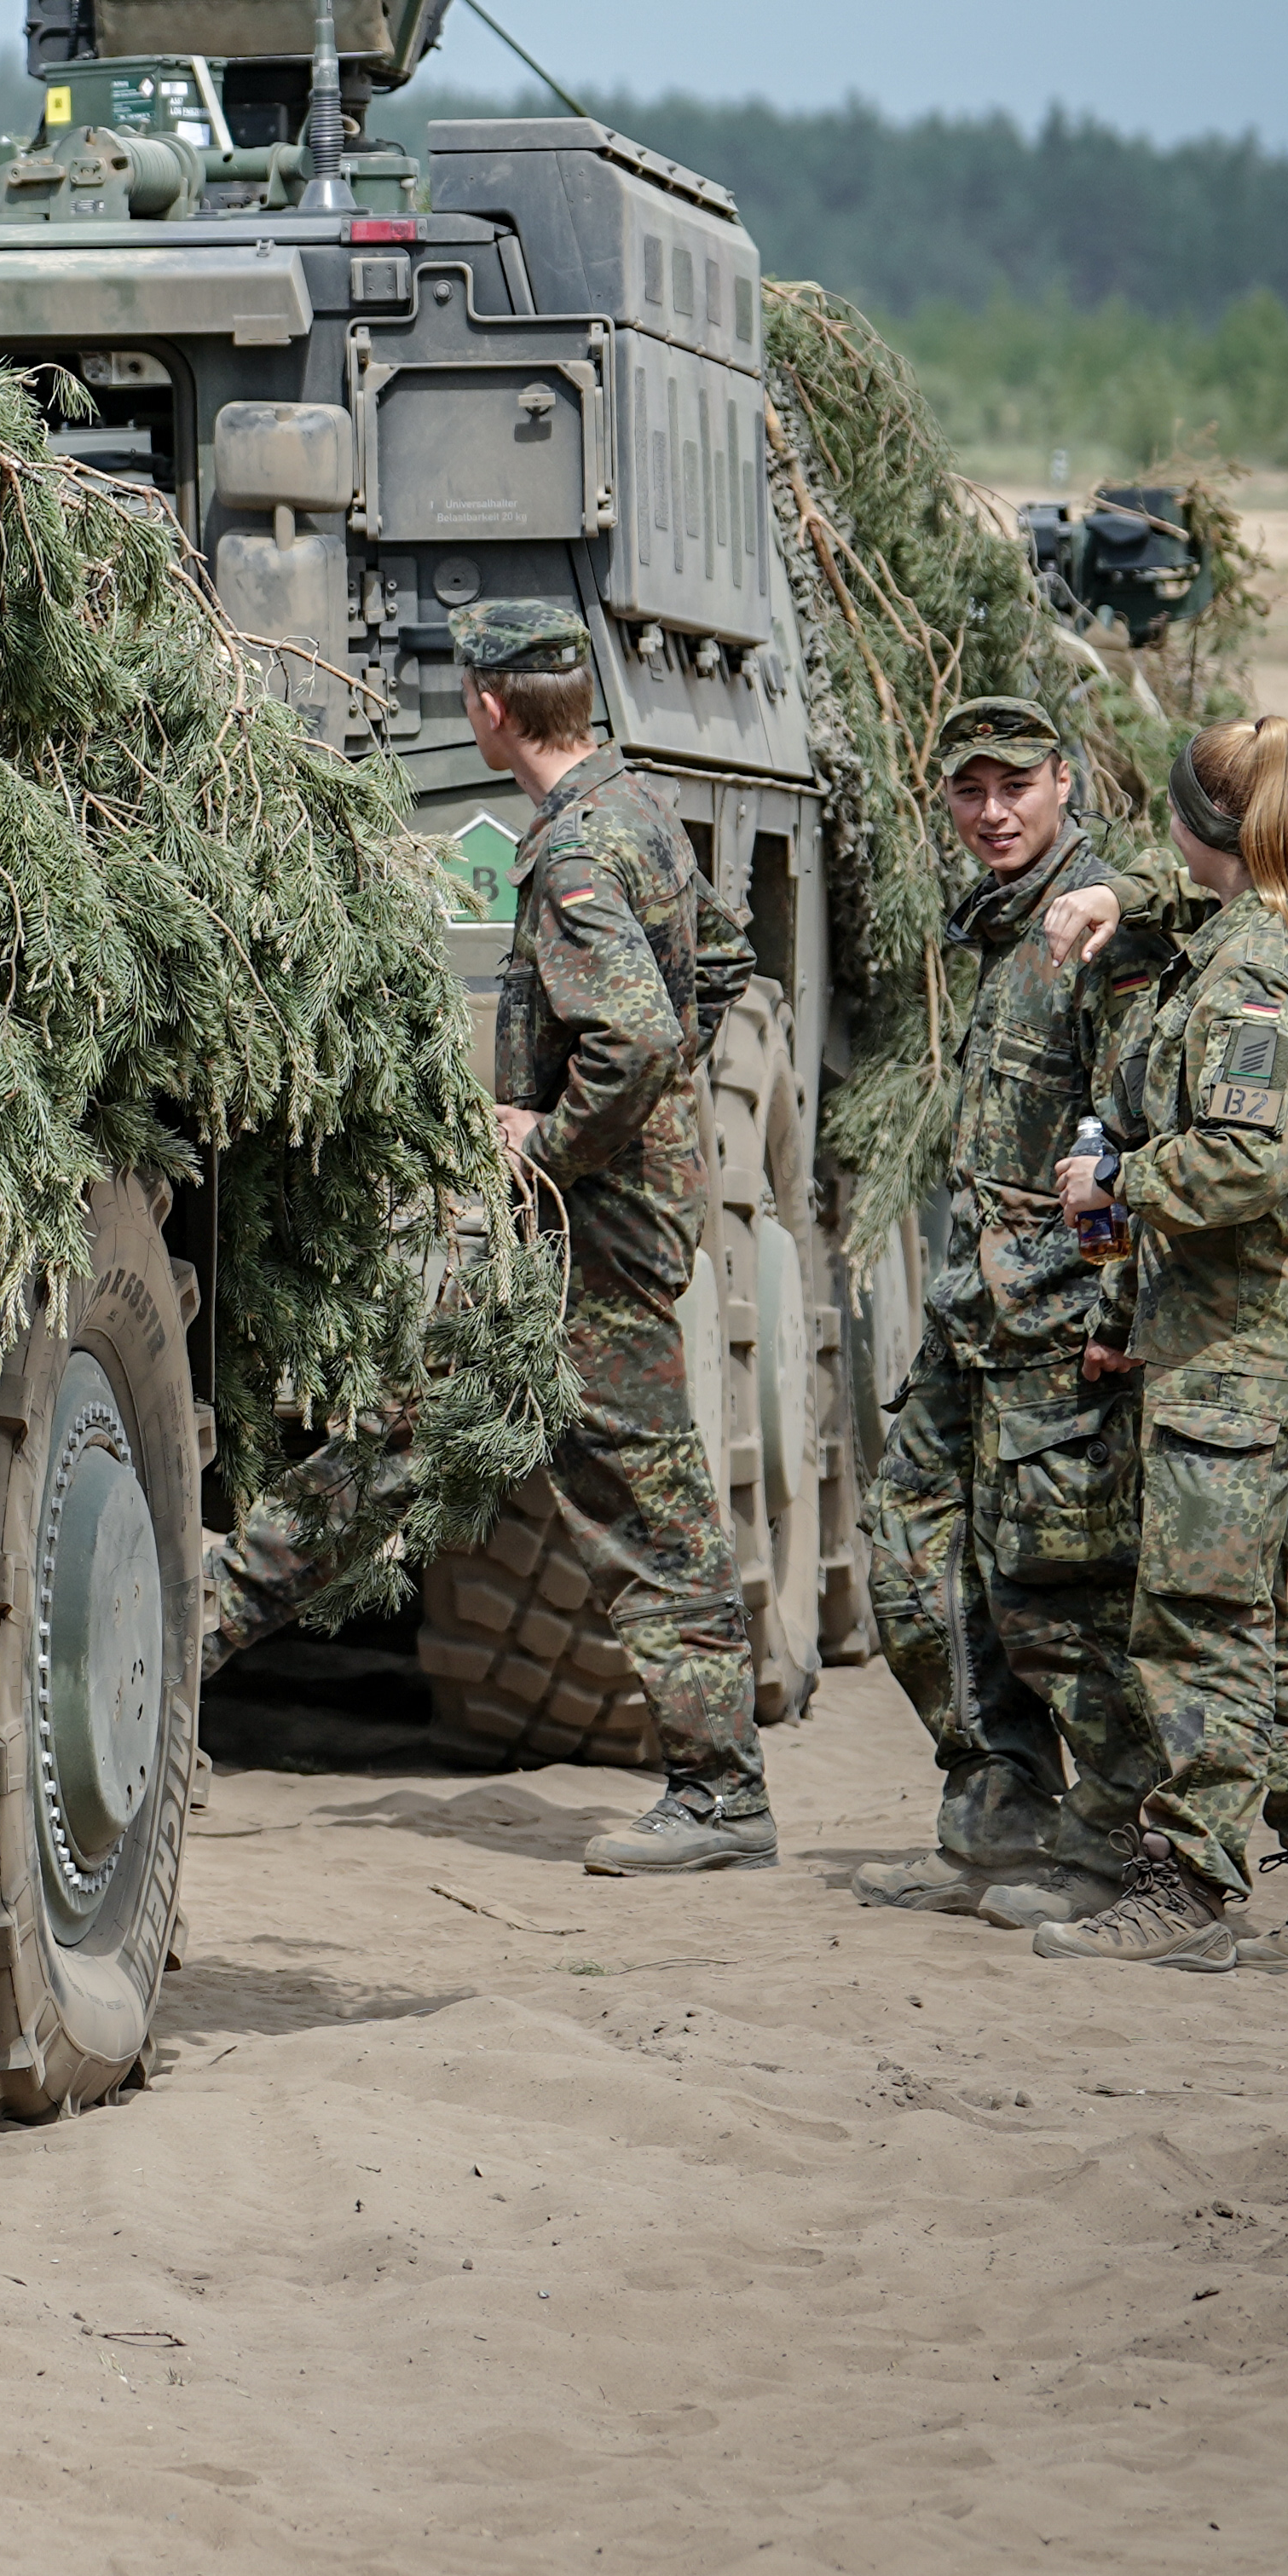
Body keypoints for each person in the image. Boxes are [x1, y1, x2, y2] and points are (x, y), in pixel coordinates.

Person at [1029, 716, 1288, 1973]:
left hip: (1240, 1342)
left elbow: (1242, 1158)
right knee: (1244, 1607)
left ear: (1196, 824)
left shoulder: (1251, 972)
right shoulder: (1264, 916)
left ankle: (1189, 1886)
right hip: (1239, 1330)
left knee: (1192, 1616)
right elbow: (1191, 887)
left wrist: (1113, 1187)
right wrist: (1110, 889)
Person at [437, 600, 769, 1875]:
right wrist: (667, 1112)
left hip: (603, 1223)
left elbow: (631, 1036)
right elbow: (716, 967)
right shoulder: (635, 811)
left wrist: (554, 1142)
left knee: (647, 1500)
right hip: (632, 1207)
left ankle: (721, 1793)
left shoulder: (575, 854)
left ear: (485, 707)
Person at [847, 696, 1145, 1927]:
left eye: (1011, 787)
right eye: (967, 791)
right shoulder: (997, 923)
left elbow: (1137, 1135)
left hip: (1062, 1319)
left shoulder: (1098, 919)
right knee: (909, 1547)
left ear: (1062, 783)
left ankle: (1105, 1847)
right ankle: (995, 1812)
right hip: (979, 1308)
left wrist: (1113, 1312)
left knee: (1054, 1586)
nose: (988, 812)